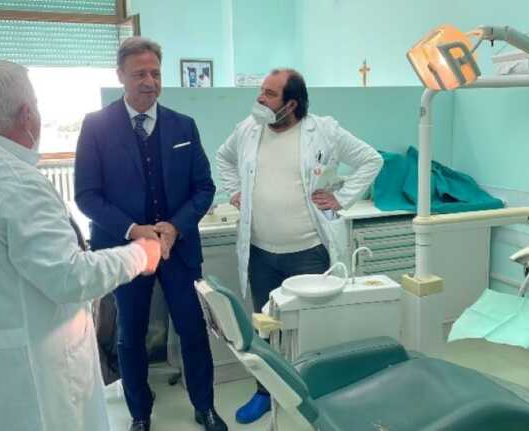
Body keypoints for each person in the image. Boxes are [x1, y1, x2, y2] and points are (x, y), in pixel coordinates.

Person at [0, 59, 162, 431]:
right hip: (34, 377)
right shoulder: (14, 181)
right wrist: (139, 254)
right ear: (26, 115)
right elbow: (70, 277)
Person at [75, 37, 226, 431]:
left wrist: (175, 225)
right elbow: (86, 195)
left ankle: (205, 406)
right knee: (131, 334)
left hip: (178, 248)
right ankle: (140, 413)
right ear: (120, 76)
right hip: (126, 251)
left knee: (193, 329)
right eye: (139, 73)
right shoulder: (96, 127)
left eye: (155, 73)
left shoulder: (183, 125)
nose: (149, 81)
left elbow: (204, 187)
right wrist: (134, 230)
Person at [216, 68, 383, 424]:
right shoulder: (248, 129)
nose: (260, 98)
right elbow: (222, 157)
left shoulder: (323, 131)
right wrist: (234, 191)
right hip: (260, 253)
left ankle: (312, 395)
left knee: (311, 330)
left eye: (269, 93)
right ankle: (265, 393)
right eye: (261, 90)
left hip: (309, 252)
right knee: (265, 328)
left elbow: (371, 159)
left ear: (291, 104)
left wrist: (342, 198)